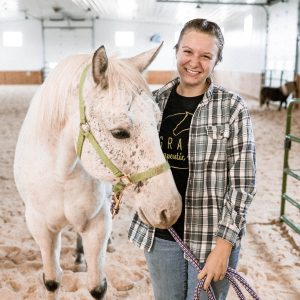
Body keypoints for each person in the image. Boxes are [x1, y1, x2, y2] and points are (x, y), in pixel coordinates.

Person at [128, 18, 256, 300]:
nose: (194, 62)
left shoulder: (232, 108)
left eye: (206, 55)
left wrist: (224, 246)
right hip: (161, 235)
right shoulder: (154, 103)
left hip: (212, 238)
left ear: (216, 60)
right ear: (177, 51)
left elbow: (243, 184)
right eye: (188, 51)